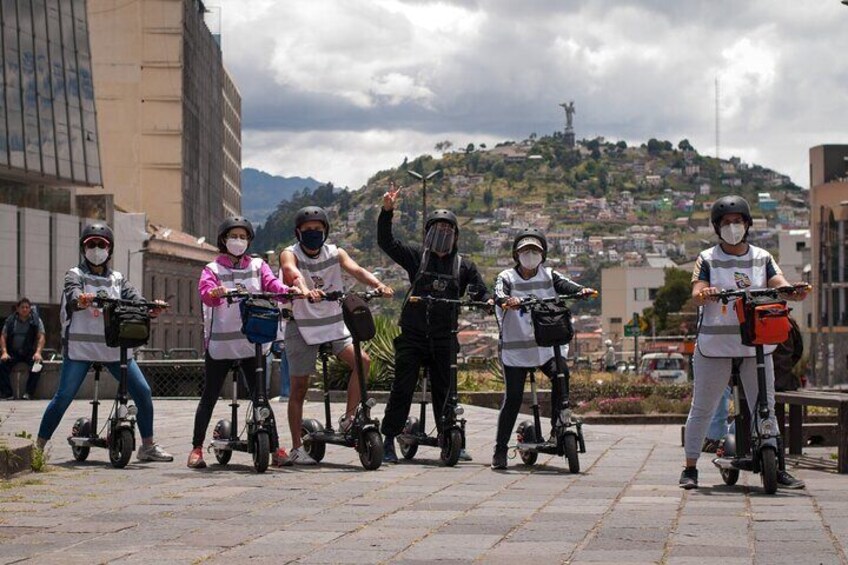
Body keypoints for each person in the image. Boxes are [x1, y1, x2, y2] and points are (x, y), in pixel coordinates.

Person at [680, 195, 809, 490]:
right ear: (717, 227)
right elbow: (697, 290)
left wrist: (792, 291)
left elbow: (778, 283)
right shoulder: (707, 259)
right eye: (726, 223)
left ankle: (777, 466)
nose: (732, 227)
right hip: (715, 347)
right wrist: (705, 293)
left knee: (766, 405)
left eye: (738, 221)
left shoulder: (762, 257)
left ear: (748, 224)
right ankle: (690, 468)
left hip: (755, 344)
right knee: (703, 407)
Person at [35, 223, 173, 462]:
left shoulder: (118, 279)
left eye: (102, 244)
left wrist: (150, 308)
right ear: (83, 248)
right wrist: (81, 300)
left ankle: (148, 446)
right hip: (80, 350)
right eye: (92, 244)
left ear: (110, 250)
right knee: (64, 396)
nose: (96, 248)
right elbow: (72, 295)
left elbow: (135, 300)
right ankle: (38, 447)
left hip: (113, 348)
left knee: (142, 391)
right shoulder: (74, 275)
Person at [378, 183, 489, 464]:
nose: (443, 234)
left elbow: (480, 290)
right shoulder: (417, 256)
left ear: (456, 236)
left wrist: (484, 300)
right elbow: (387, 242)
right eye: (436, 229)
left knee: (447, 389)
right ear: (428, 233)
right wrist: (387, 212)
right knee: (402, 387)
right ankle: (389, 438)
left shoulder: (464, 266)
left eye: (448, 230)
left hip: (444, 336)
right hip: (413, 334)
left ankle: (450, 438)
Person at [279, 206, 393, 465]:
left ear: (325, 231)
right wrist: (305, 289)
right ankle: (297, 446)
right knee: (298, 388)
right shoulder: (290, 252)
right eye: (308, 230)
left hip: (332, 322)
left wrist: (378, 285)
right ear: (298, 232)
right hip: (302, 323)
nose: (313, 234)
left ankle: (349, 417)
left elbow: (356, 270)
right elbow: (290, 272)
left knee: (362, 362)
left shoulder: (335, 252)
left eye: (318, 230)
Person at [188, 217, 294, 469]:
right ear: (224, 240)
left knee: (260, 396)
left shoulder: (258, 265)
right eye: (233, 236)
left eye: (243, 236)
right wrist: (215, 293)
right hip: (221, 344)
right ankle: (196, 449)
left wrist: (285, 291)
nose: (238, 241)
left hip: (251, 341)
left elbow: (272, 284)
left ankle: (276, 447)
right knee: (210, 395)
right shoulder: (212, 269)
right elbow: (206, 293)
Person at [491, 230, 596, 469]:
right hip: (517, 351)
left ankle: (559, 426)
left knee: (562, 376)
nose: (530, 255)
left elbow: (567, 286)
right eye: (525, 251)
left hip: (547, 346)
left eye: (535, 251)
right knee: (513, 399)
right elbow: (498, 294)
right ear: (516, 254)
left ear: (543, 254)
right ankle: (500, 449)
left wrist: (582, 291)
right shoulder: (506, 277)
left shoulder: (549, 274)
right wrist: (506, 300)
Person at [0, 298, 46, 400]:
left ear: (30, 309)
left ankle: (29, 393)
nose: (25, 309)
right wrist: (4, 352)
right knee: (2, 365)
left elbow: (41, 337)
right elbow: (3, 336)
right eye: (22, 307)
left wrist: (38, 352)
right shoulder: (10, 320)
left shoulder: (36, 320)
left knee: (38, 365)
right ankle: (7, 394)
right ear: (17, 308)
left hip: (29, 352)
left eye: (27, 307)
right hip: (13, 352)